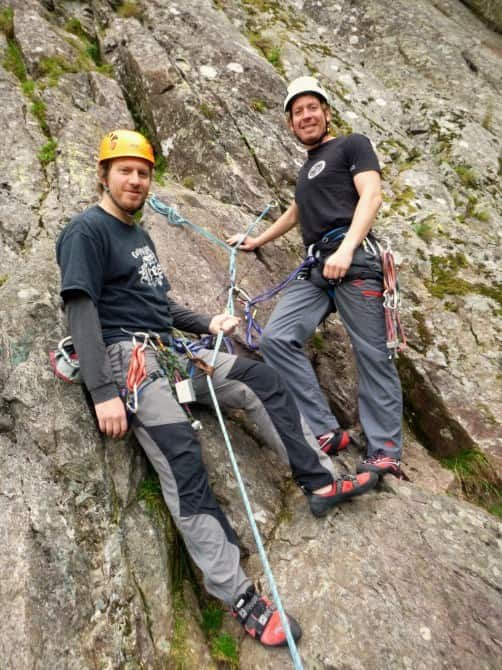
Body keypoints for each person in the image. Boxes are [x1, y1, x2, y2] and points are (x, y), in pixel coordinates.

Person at [56, 129, 378, 648]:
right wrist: (102, 392)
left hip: (170, 349)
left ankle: (317, 480)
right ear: (104, 175)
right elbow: (81, 309)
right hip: (128, 362)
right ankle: (239, 596)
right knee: (182, 455)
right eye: (125, 171)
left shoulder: (139, 236)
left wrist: (208, 323)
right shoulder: (86, 232)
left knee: (260, 378)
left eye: (143, 172)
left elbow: (160, 310)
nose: (135, 180)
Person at [228, 76, 404, 478]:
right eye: (297, 112)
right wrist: (256, 240)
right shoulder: (307, 170)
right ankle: (325, 431)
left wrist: (346, 250)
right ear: (290, 124)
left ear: (326, 112)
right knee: (276, 338)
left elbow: (371, 195)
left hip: (353, 258)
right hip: (318, 267)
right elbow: (295, 213)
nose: (305, 116)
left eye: (311, 108)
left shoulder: (352, 145)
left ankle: (385, 451)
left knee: (373, 355)